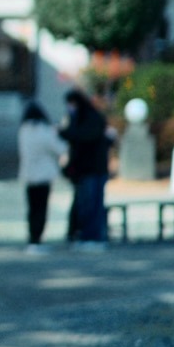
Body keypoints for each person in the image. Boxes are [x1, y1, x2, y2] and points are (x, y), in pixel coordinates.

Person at [59, 89, 111, 248]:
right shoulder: (82, 118)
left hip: (92, 169)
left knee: (91, 205)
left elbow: (83, 137)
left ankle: (92, 237)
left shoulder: (90, 118)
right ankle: (85, 235)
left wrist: (65, 132)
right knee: (86, 205)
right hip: (86, 170)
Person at [17, 101, 67, 252]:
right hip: (43, 176)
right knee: (41, 209)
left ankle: (32, 238)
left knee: (32, 209)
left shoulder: (23, 131)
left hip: (28, 175)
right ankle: (37, 239)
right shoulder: (44, 131)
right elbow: (60, 148)